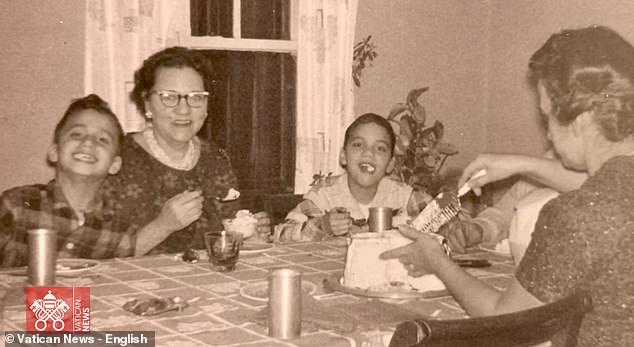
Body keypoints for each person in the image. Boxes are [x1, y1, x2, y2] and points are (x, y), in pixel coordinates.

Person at [381, 25, 634, 346]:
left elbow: (505, 321)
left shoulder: (576, 213)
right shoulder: (615, 188)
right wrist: (520, 164)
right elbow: (602, 189)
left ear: (580, 120)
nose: (548, 135)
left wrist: (437, 262)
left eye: (548, 119)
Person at [104, 47, 270, 254]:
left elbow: (224, 241)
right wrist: (163, 225)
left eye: (196, 97)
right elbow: (100, 258)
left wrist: (250, 235)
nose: (183, 109)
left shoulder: (216, 158)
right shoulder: (116, 159)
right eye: (168, 97)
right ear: (147, 102)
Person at [0, 94, 135, 267]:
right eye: (77, 134)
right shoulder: (17, 204)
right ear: (54, 152)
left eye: (103, 139)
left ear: (115, 164)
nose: (88, 142)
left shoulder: (121, 230)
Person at [277, 113, 433, 241]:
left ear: (391, 164)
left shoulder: (403, 197)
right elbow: (281, 235)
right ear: (344, 156)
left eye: (380, 148)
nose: (368, 153)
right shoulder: (324, 197)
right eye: (358, 145)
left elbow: (442, 218)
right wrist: (322, 226)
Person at [441, 149, 588, 262]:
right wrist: (478, 229)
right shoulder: (552, 157)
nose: (548, 135)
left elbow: (594, 185)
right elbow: (505, 213)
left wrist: (522, 164)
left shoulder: (604, 173)